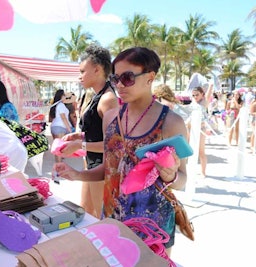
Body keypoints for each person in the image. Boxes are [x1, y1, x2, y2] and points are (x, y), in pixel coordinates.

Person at [54, 47, 188, 255]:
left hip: (153, 228)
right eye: (116, 78)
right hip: (112, 219)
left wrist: (170, 176)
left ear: (150, 77)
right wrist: (78, 175)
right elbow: (110, 168)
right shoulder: (111, 117)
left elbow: (183, 180)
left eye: (127, 78)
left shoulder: (170, 122)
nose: (119, 85)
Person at [59, 44, 119, 218]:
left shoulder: (107, 99)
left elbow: (114, 145)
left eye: (83, 71)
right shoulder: (97, 96)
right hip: (92, 163)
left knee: (102, 218)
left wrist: (80, 145)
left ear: (97, 70)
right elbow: (99, 133)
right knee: (85, 211)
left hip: (102, 167)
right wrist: (80, 136)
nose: (80, 77)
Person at [188, 85, 213, 177]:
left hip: (201, 129)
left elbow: (209, 94)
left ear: (202, 94)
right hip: (191, 129)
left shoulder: (204, 103)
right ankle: (190, 171)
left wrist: (211, 86)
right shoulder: (192, 103)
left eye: (197, 95)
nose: (195, 97)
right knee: (189, 151)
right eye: (193, 95)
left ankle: (203, 172)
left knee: (201, 151)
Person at [49, 89, 73, 163]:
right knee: (58, 147)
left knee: (57, 146)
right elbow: (63, 117)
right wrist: (69, 129)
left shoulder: (55, 105)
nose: (65, 97)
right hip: (60, 127)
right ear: (61, 96)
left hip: (55, 126)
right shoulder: (61, 105)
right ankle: (59, 165)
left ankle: (59, 162)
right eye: (64, 95)